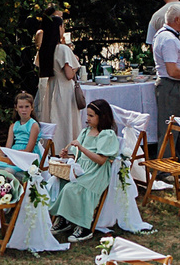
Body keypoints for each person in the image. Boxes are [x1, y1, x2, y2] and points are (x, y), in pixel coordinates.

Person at [52, 99, 125, 236]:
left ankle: (84, 225)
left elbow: (101, 160)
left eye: (91, 116)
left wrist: (82, 148)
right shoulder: (86, 132)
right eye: (87, 115)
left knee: (73, 188)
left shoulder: (106, 134)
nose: (88, 119)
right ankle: (65, 218)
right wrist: (67, 156)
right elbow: (78, 156)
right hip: (83, 168)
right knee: (62, 181)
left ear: (102, 116)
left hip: (97, 172)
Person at [35, 11, 82, 161]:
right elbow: (69, 74)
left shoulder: (44, 49)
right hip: (64, 89)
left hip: (51, 88)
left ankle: (51, 151)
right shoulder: (62, 49)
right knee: (65, 121)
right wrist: (76, 63)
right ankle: (67, 150)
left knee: (53, 119)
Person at [149, 4, 180, 153]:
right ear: (177, 19)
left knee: (178, 125)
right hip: (171, 86)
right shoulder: (168, 39)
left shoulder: (164, 35)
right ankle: (165, 168)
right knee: (169, 127)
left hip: (173, 85)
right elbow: (172, 71)